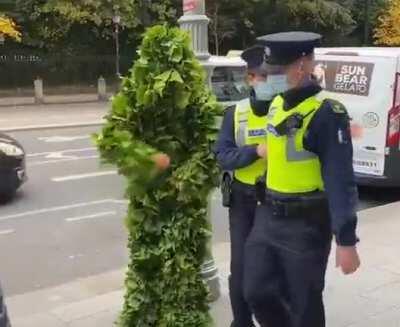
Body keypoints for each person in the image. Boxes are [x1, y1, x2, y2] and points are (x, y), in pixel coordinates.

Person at [243, 32, 361, 327]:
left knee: (305, 305)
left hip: (306, 225)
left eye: (276, 72)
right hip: (268, 215)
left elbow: (340, 179)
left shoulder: (327, 113)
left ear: (301, 66)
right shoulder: (276, 105)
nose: (269, 78)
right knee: (256, 291)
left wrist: (346, 240)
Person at [214, 45, 289, 327]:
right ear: (250, 78)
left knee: (279, 267)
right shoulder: (236, 113)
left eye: (274, 75)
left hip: (280, 199)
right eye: (262, 75)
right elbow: (222, 155)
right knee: (242, 268)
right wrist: (255, 152)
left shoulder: (288, 110)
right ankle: (242, 322)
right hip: (244, 202)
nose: (269, 81)